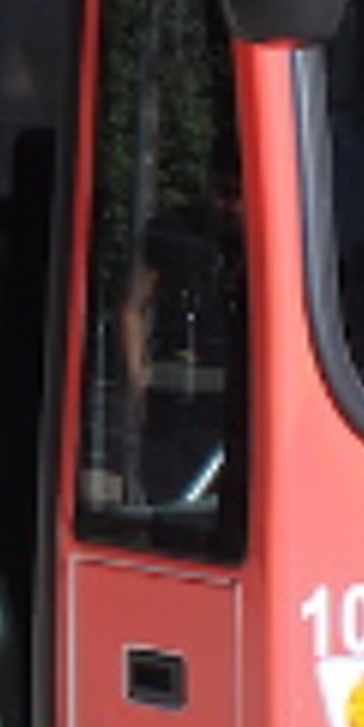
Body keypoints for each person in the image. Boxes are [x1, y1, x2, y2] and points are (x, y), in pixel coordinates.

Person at [116, 148, 244, 509]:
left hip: (231, 411)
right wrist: (138, 382)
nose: (225, 206)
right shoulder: (174, 236)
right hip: (174, 405)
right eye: (219, 192)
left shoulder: (275, 246)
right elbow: (131, 307)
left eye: (236, 195)